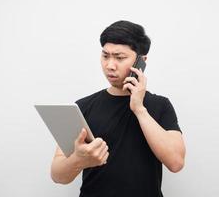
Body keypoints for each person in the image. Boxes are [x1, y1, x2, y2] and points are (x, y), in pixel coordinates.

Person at [50, 20, 186, 197]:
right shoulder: (83, 107)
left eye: (119, 58)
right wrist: (79, 159)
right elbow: (57, 175)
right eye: (105, 56)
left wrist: (139, 109)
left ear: (141, 61)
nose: (110, 65)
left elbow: (176, 163)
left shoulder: (160, 105)